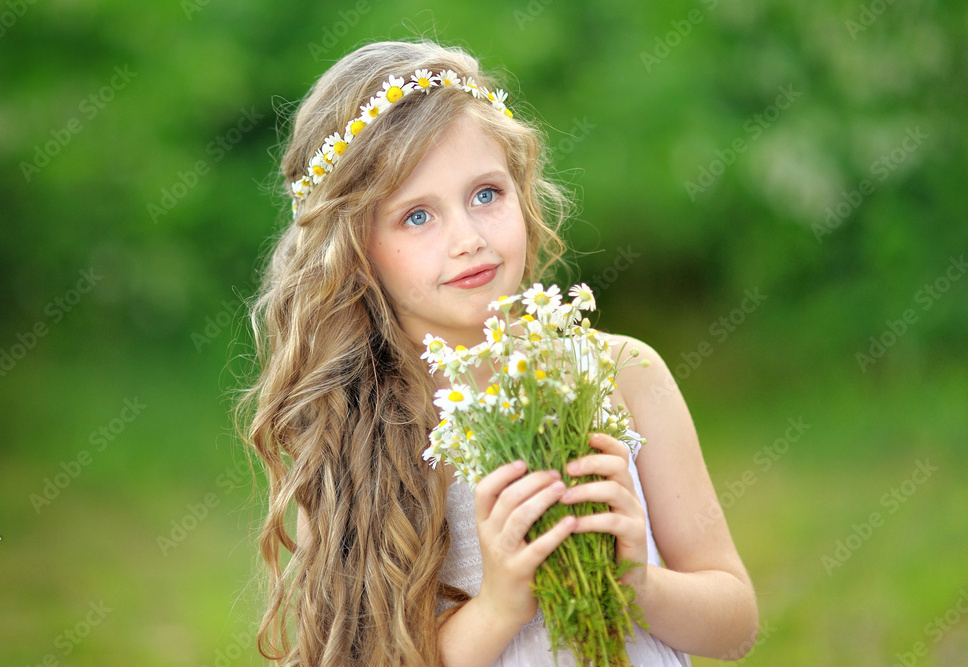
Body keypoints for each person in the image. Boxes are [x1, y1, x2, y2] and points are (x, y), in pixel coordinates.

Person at [239, 38, 758, 666]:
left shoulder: (623, 373)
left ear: (523, 192)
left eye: (486, 194)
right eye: (417, 217)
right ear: (354, 248)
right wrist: (500, 604)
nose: (468, 238)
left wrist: (636, 581)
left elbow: (735, 625)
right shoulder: (354, 424)